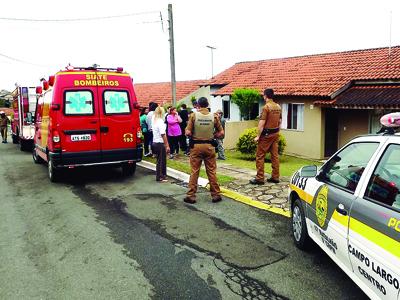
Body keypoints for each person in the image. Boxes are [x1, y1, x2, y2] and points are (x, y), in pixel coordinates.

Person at [184, 97, 224, 204]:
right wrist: (213, 135)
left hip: (196, 147)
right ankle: (216, 194)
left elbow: (187, 132)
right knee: (211, 171)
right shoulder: (214, 116)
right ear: (207, 105)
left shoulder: (194, 115)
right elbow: (221, 133)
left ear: (198, 105)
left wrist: (191, 133)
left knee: (194, 171)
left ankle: (191, 195)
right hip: (209, 146)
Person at [250, 88, 282, 185]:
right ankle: (275, 177)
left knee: (260, 155)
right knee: (275, 156)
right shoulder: (278, 107)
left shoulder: (266, 107)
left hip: (266, 135)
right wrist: (277, 132)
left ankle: (260, 178)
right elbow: (280, 121)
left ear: (265, 96)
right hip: (275, 134)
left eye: (263, 95)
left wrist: (258, 136)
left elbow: (261, 123)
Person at [152, 107, 170, 182]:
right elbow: (163, 134)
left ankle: (161, 175)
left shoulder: (154, 119)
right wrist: (167, 145)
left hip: (154, 142)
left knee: (159, 160)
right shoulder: (160, 122)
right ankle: (160, 176)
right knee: (161, 161)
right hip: (160, 142)